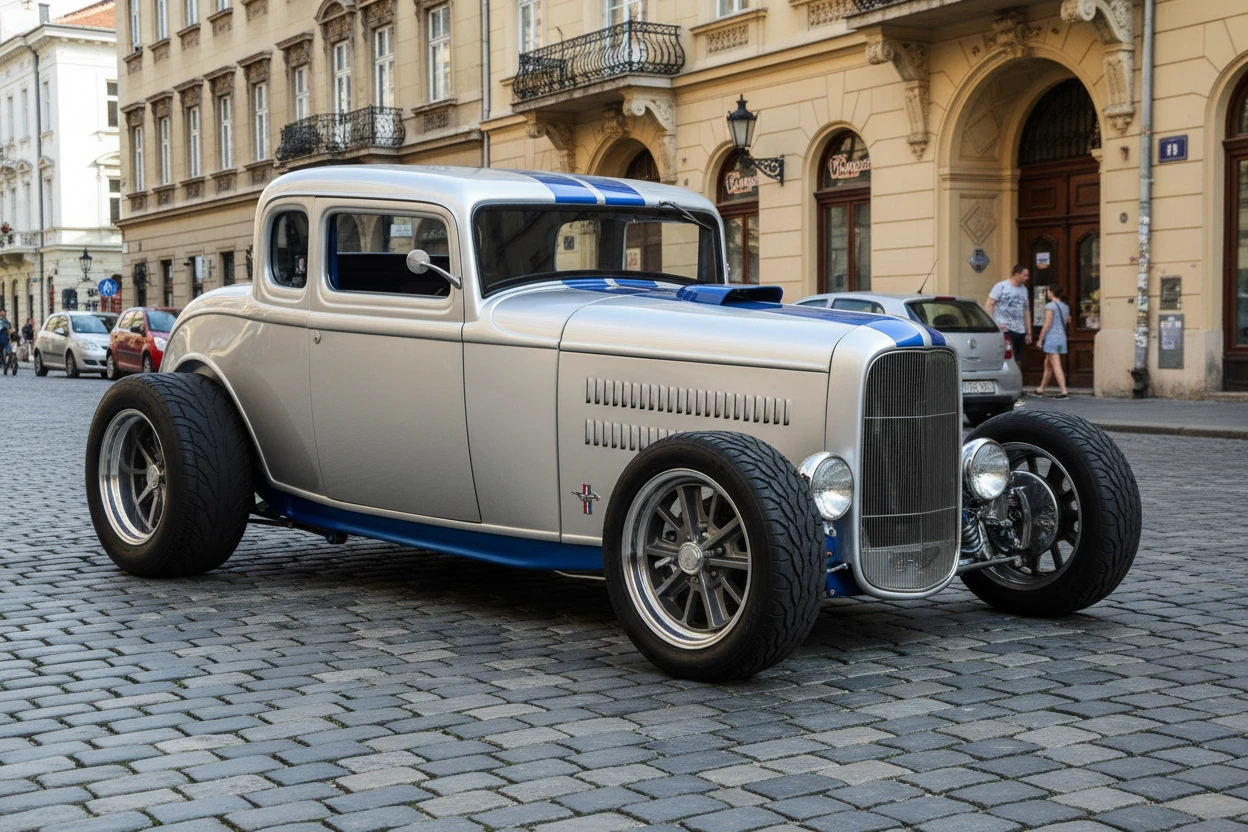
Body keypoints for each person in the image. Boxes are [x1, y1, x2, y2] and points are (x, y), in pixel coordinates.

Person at [985, 264, 1032, 364]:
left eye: (1027, 275)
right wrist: (993, 324)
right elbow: (989, 304)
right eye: (1024, 275)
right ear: (1016, 274)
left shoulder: (1024, 290)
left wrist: (1029, 331)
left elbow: (1026, 310)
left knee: (1018, 358)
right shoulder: (1001, 287)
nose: (1027, 278)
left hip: (1020, 329)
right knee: (1007, 356)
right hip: (1005, 328)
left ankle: (1016, 378)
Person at [1035, 284, 1073, 399]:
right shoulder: (1065, 307)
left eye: (1048, 291)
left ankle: (1063, 391)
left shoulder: (1050, 306)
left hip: (1052, 338)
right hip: (1061, 337)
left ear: (1051, 292)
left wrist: (1040, 339)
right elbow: (1068, 320)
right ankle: (1041, 388)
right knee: (1048, 364)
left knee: (1056, 365)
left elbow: (1047, 324)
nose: (1047, 293)